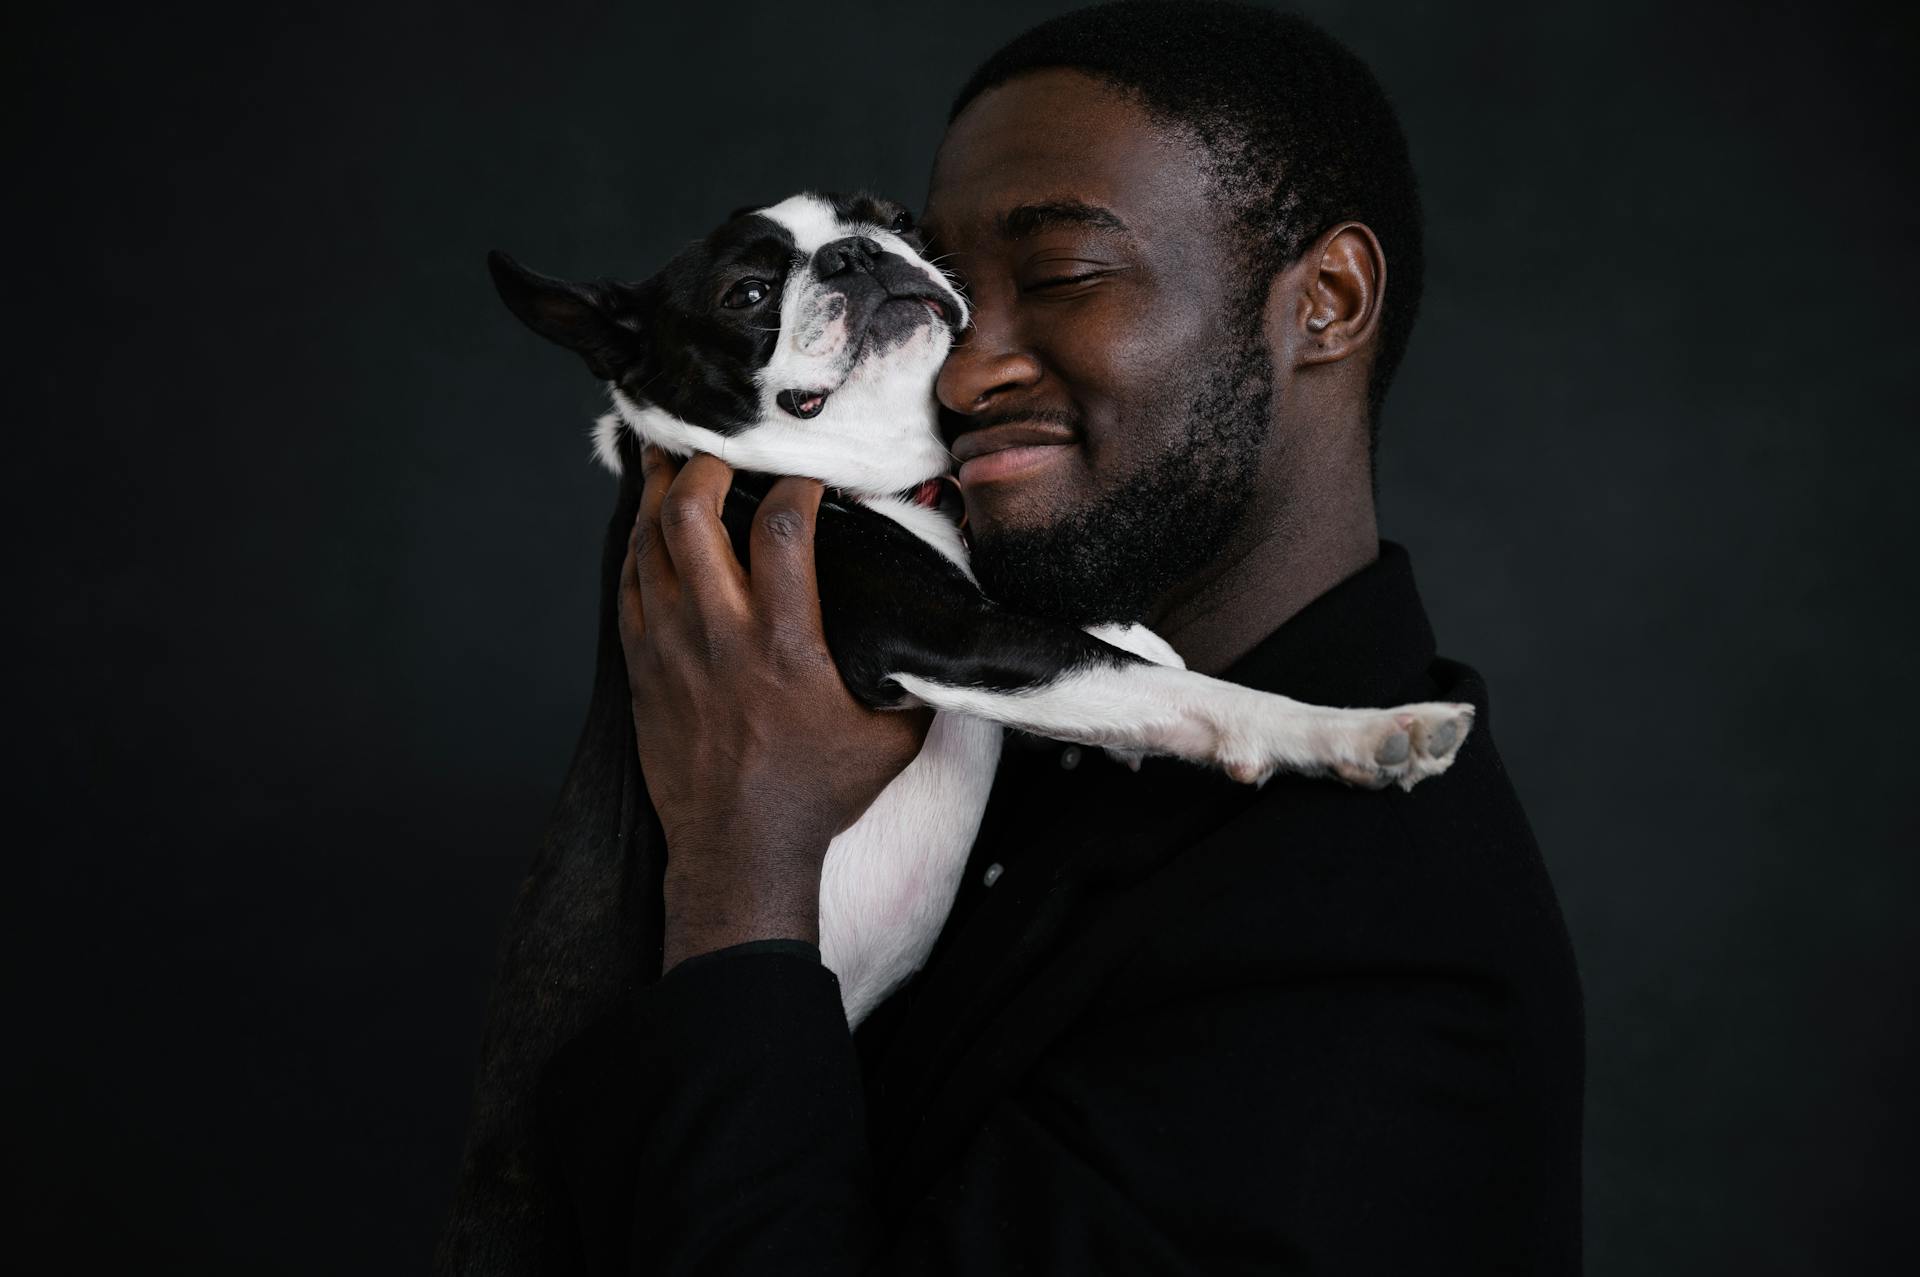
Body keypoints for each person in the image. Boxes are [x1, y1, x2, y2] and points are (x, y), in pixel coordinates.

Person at [538, 3, 1584, 1272]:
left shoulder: (1383, 957)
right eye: (951, 287)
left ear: (1328, 301)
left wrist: (736, 880)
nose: (966, 367)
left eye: (1064, 279)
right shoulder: (934, 693)